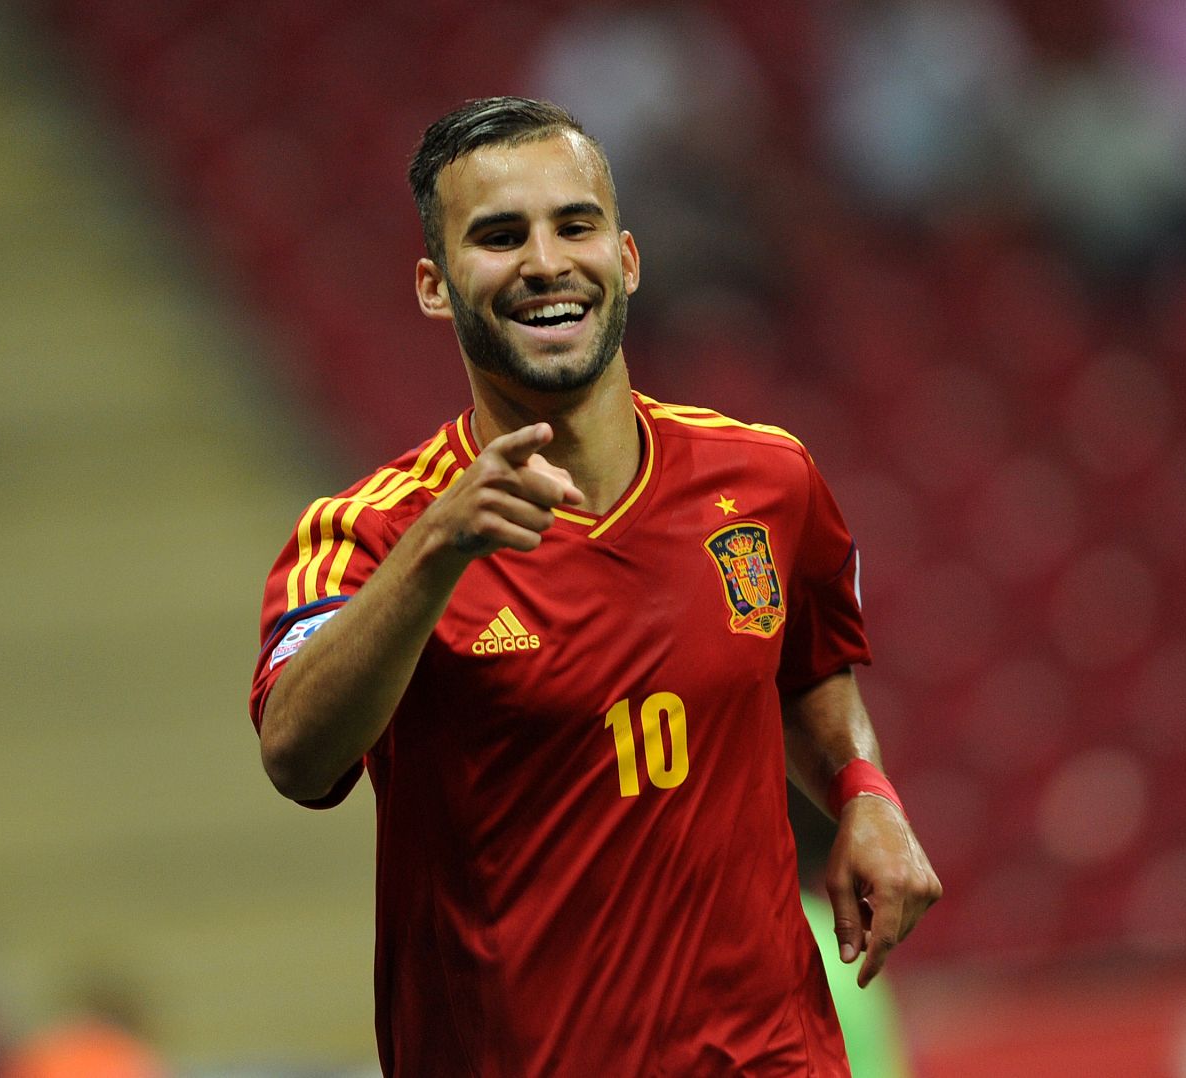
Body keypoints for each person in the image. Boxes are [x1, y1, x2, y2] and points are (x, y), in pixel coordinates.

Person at [249, 96, 941, 1077]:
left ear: (625, 258)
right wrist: (439, 550)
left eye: (572, 225)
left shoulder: (768, 481)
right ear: (434, 286)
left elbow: (807, 666)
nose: (543, 261)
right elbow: (296, 753)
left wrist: (861, 787)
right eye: (497, 236)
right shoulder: (368, 534)